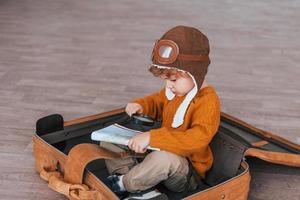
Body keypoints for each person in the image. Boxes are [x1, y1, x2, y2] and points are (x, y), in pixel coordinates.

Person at [101, 25, 221, 199]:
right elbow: (157, 102)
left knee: (163, 159)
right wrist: (141, 105)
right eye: (166, 80)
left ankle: (123, 184)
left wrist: (152, 137)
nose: (169, 85)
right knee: (109, 142)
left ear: (195, 73)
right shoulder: (175, 90)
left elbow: (197, 139)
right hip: (157, 153)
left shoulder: (208, 101)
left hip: (185, 171)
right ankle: (140, 185)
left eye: (172, 79)